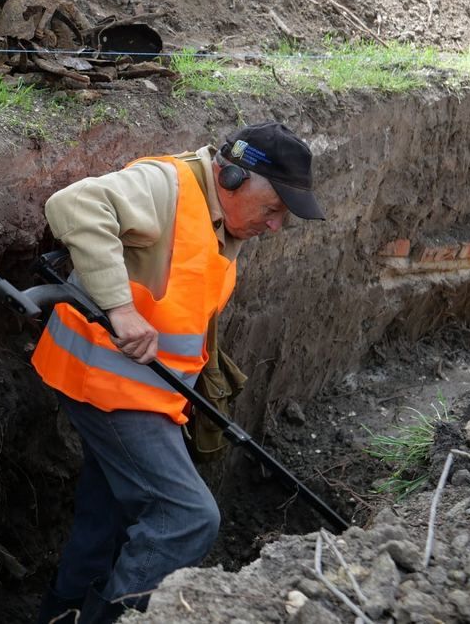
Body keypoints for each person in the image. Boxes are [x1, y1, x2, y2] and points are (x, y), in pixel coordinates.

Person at [31, 121, 325, 624]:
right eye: (273, 209)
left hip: (149, 394)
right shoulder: (164, 187)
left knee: (107, 516)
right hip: (111, 389)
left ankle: (64, 611)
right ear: (231, 178)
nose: (275, 226)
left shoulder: (222, 219)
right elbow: (72, 205)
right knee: (186, 519)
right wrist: (120, 310)